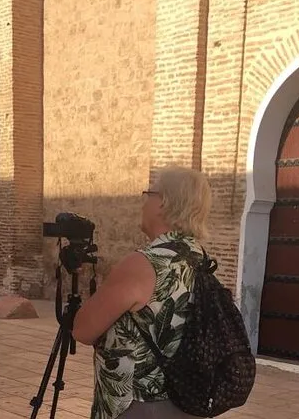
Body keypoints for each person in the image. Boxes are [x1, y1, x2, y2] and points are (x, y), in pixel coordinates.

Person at [72, 165, 212, 419]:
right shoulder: (198, 258)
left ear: (163, 202)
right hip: (186, 400)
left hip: (138, 405)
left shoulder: (143, 264)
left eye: (149, 194)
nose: (143, 203)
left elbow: (82, 330)